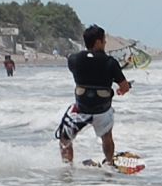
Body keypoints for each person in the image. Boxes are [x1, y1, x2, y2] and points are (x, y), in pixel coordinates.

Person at [55, 25, 131, 167]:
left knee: (64, 138)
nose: (105, 43)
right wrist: (121, 90)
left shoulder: (74, 59)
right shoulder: (111, 62)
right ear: (97, 42)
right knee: (107, 136)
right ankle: (109, 163)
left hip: (81, 109)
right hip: (102, 110)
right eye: (104, 41)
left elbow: (81, 70)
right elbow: (124, 87)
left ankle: (67, 168)